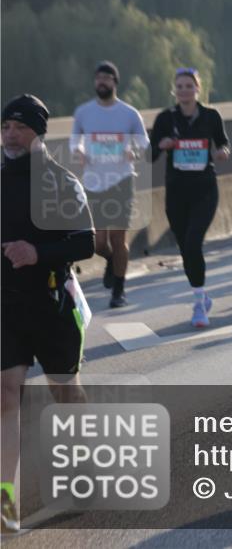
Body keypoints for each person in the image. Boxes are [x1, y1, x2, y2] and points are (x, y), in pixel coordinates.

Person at [2, 95, 95, 533]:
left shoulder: (60, 181)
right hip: (6, 305)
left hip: (53, 301)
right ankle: (6, 503)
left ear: (39, 132)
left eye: (18, 126)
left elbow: (84, 243)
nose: (9, 134)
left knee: (65, 391)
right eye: (5, 127)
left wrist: (36, 252)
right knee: (6, 394)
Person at [150, 69, 230, 328]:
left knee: (194, 243)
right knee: (185, 248)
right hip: (176, 191)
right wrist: (162, 145)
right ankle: (202, 293)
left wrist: (222, 153)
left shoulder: (210, 116)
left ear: (198, 88)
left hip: (205, 189)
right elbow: (149, 155)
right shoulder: (165, 118)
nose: (184, 90)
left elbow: (223, 143)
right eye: (180, 86)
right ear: (175, 90)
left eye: (189, 86)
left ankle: (198, 303)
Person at [70, 61, 149, 308]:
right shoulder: (84, 112)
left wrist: (132, 151)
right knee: (97, 243)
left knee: (117, 236)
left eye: (106, 78)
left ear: (115, 82)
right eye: (98, 79)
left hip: (121, 180)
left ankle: (119, 289)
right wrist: (79, 151)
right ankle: (112, 262)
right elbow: (75, 140)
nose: (101, 82)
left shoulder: (129, 113)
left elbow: (143, 143)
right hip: (93, 181)